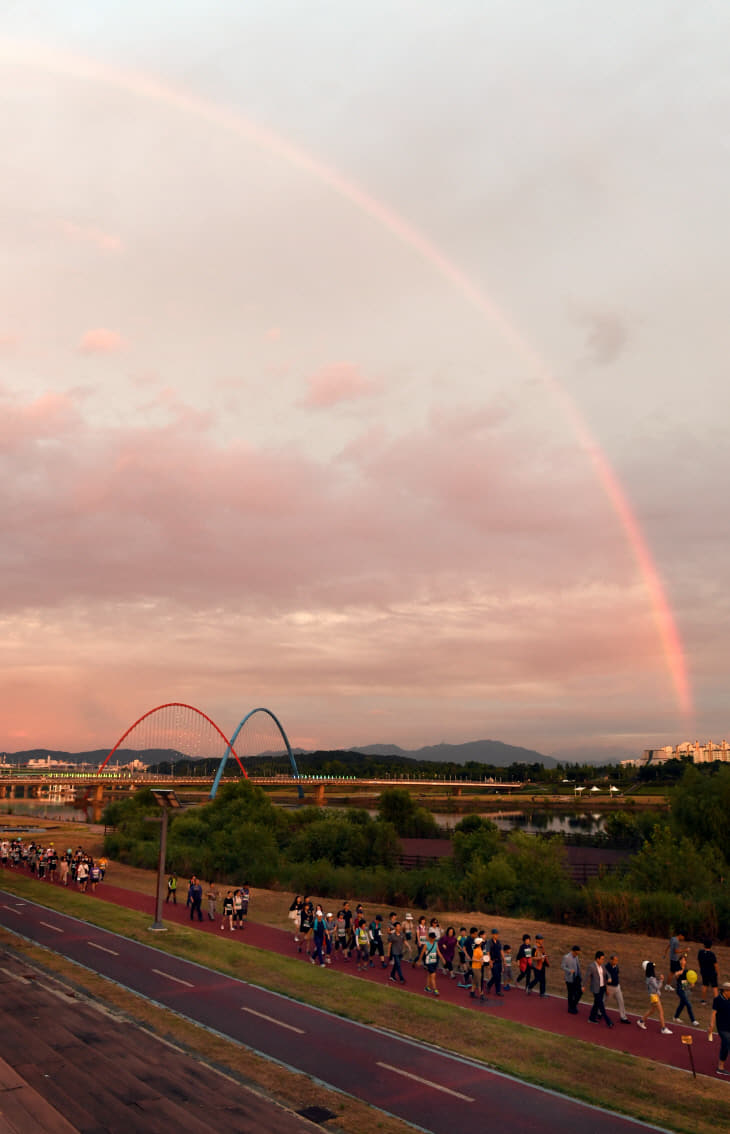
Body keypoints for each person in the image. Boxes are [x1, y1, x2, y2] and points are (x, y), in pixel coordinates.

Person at [637, 961, 672, 1034]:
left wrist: (659, 980)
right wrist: (661, 980)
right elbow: (658, 987)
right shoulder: (651, 978)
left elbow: (655, 986)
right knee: (661, 1012)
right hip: (654, 996)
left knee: (652, 1011)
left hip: (653, 996)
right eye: (653, 967)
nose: (654, 968)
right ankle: (663, 1028)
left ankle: (641, 1021)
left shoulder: (649, 977)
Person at [587, 951, 614, 1028]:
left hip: (602, 987)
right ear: (597, 959)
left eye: (603, 959)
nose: (603, 960)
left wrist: (609, 978)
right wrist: (583, 986)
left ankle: (591, 1018)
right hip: (595, 989)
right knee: (601, 1005)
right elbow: (586, 977)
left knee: (596, 1003)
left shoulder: (602, 966)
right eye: (601, 959)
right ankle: (608, 1021)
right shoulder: (591, 966)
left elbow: (607, 973)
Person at [708, 980, 730, 1076]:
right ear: (725, 991)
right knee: (726, 1043)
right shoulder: (718, 1000)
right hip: (722, 1027)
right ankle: (720, 1067)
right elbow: (713, 1013)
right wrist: (711, 1025)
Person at [672, 954, 698, 1026]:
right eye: (681, 960)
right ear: (679, 961)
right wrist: (678, 974)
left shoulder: (686, 970)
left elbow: (688, 980)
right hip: (679, 988)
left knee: (682, 1004)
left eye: (684, 960)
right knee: (688, 1004)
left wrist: (692, 983)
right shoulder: (678, 968)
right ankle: (693, 1020)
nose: (683, 961)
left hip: (685, 987)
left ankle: (675, 1017)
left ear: (686, 962)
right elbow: (676, 976)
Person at [605, 954, 631, 1024]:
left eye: (617, 960)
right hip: (609, 987)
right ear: (611, 960)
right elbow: (604, 978)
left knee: (621, 1001)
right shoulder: (606, 967)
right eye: (615, 960)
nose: (616, 962)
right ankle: (599, 1012)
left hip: (617, 987)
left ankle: (623, 1017)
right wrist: (606, 989)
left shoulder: (616, 967)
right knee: (605, 1000)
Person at [419, 930, 446, 996]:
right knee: (433, 975)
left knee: (429, 974)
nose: (434, 939)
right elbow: (422, 953)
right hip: (428, 962)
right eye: (433, 938)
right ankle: (435, 989)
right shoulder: (426, 945)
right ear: (430, 938)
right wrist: (419, 961)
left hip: (434, 962)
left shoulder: (435, 944)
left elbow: (438, 952)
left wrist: (442, 959)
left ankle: (427, 987)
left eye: (434, 938)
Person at [561, 945, 582, 1014]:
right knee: (571, 993)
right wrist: (569, 970)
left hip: (576, 977)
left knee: (579, 992)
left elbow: (578, 966)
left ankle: (573, 1005)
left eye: (578, 953)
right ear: (573, 951)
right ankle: (570, 1008)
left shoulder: (576, 957)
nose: (577, 954)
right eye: (576, 953)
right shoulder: (566, 957)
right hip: (569, 978)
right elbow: (563, 966)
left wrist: (580, 975)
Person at [698, 938, 719, 1005]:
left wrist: (701, 968)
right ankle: (717, 1002)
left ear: (704, 945)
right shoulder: (711, 954)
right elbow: (715, 965)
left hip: (704, 971)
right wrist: (717, 972)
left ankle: (703, 1000)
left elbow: (699, 961)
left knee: (704, 985)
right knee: (715, 987)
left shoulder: (700, 952)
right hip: (712, 972)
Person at [485, 928, 503, 997]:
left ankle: (497, 990)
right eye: (495, 934)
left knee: (499, 976)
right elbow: (488, 952)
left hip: (499, 961)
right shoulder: (489, 942)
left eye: (497, 934)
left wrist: (504, 960)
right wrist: (490, 962)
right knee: (496, 976)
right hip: (493, 961)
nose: (496, 935)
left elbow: (501, 951)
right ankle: (490, 985)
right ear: (492, 934)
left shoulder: (498, 942)